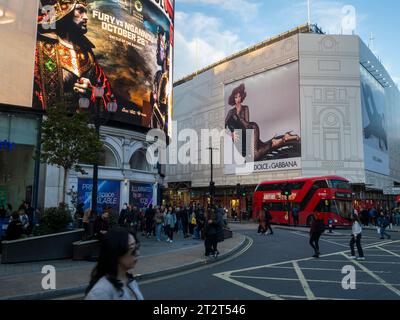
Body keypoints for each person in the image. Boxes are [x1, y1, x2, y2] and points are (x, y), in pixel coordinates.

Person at [34, 0, 113, 110]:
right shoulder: (39, 45)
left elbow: (109, 98)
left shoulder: (88, 54)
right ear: (64, 10)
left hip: (80, 123)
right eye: (80, 10)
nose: (86, 17)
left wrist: (92, 92)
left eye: (86, 12)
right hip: (44, 121)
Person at [225, 83, 300, 161]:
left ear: (242, 97)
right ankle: (284, 138)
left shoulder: (245, 108)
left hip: (251, 131)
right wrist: (231, 134)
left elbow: (247, 126)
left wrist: (238, 117)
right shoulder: (231, 112)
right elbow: (223, 128)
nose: (238, 99)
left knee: (253, 156)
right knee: (259, 151)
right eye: (236, 97)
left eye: (239, 96)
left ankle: (280, 139)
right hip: (241, 138)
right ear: (233, 98)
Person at [85, 227, 143, 300]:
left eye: (137, 247)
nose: (137, 253)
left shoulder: (130, 281)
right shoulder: (100, 292)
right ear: (116, 252)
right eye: (132, 249)